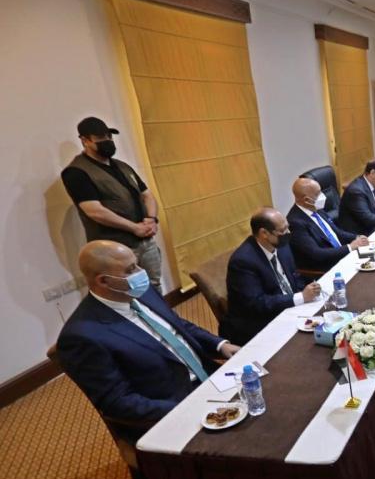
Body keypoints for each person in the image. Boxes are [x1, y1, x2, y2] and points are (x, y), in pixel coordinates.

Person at [57, 241, 239, 441]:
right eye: (130, 269)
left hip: (211, 377)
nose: (140, 272)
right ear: (104, 281)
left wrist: (220, 345)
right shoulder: (82, 336)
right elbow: (117, 402)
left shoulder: (141, 291)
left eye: (137, 264)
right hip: (173, 409)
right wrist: (186, 409)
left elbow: (177, 326)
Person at [61, 117, 163, 290]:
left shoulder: (123, 166)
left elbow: (147, 195)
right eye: (100, 138)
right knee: (126, 292)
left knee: (154, 285)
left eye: (109, 136)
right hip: (115, 249)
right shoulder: (76, 172)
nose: (107, 141)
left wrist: (151, 219)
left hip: (146, 242)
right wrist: (134, 228)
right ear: (85, 140)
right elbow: (94, 211)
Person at [221, 208, 322, 346]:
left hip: (290, 309)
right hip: (259, 323)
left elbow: (295, 276)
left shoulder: (281, 246)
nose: (288, 233)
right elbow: (257, 303)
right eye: (283, 230)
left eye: (288, 227)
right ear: (264, 233)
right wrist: (300, 297)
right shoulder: (243, 261)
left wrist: (308, 290)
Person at [287, 177, 367, 272]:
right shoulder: (295, 222)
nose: (323, 195)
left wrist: (357, 237)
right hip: (327, 268)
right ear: (307, 200)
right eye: (318, 193)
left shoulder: (315, 208)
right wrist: (350, 247)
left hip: (343, 256)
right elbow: (317, 254)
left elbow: (337, 233)